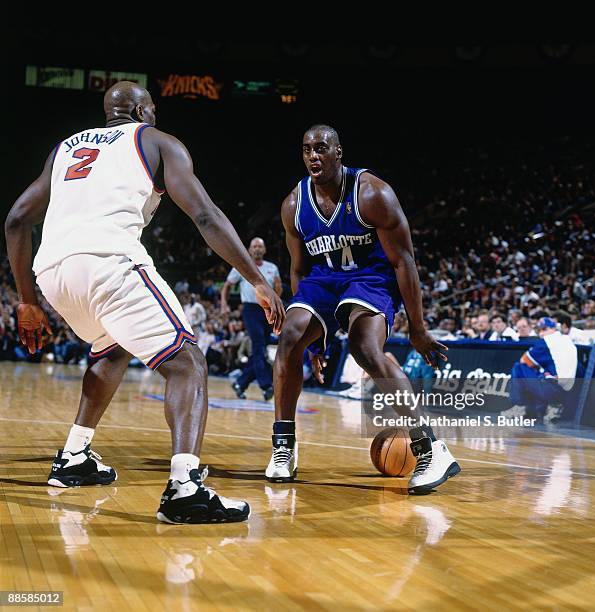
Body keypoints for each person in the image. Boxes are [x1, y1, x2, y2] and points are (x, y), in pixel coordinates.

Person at [4, 81, 284, 524]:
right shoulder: (156, 141)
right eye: (152, 109)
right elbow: (206, 215)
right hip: (109, 262)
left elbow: (17, 219)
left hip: (53, 274)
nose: (155, 116)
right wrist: (258, 280)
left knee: (111, 347)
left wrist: (27, 301)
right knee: (188, 362)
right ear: (141, 109)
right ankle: (185, 488)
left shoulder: (65, 149)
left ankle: (74, 455)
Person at [266, 124, 460, 494]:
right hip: (324, 278)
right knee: (290, 338)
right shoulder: (294, 204)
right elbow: (298, 270)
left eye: (321, 148)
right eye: (307, 149)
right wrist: (315, 341)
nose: (313, 156)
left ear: (339, 152)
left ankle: (432, 449)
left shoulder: (373, 194)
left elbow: (404, 262)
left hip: (371, 277)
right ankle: (283, 448)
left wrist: (417, 328)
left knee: (365, 347)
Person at [221, 237, 281, 401]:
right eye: (254, 246)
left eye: (260, 246)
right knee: (259, 345)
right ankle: (266, 386)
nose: (257, 249)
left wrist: (275, 304)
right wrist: (224, 304)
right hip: (250, 309)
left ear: (264, 250)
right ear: (249, 249)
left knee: (259, 349)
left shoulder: (272, 268)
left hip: (267, 310)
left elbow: (278, 287)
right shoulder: (242, 266)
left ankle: (241, 383)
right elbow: (227, 286)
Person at [502, 317, 581, 422]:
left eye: (545, 329)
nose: (542, 333)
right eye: (540, 330)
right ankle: (552, 407)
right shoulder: (568, 340)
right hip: (569, 393)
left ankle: (519, 406)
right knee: (542, 373)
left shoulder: (548, 341)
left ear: (553, 329)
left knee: (519, 368)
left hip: (553, 390)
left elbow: (524, 360)